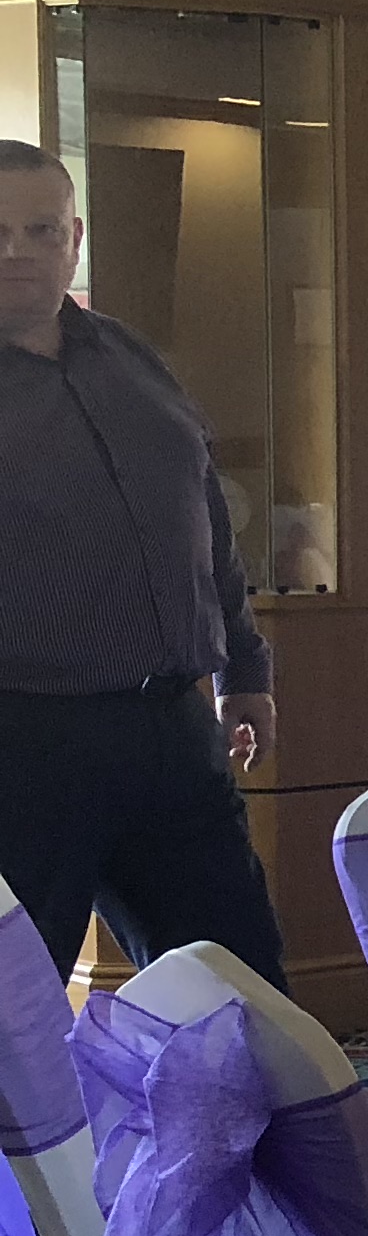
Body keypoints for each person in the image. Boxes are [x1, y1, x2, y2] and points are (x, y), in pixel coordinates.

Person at [0, 139, 289, 985]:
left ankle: (232, 1126)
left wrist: (246, 669)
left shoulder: (128, 359)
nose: (17, 248)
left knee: (241, 993)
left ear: (74, 239)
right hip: (22, 743)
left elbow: (201, 522)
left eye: (39, 228)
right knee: (14, 1024)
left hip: (171, 731)